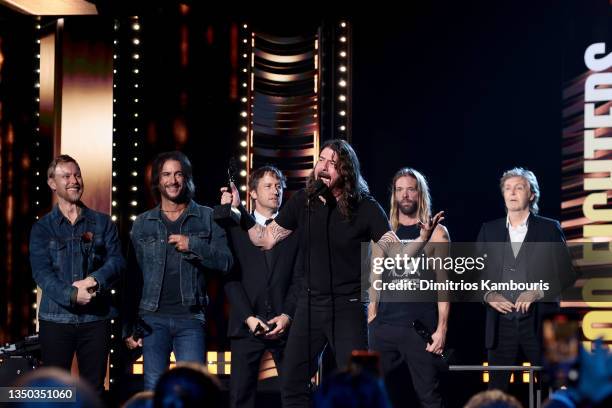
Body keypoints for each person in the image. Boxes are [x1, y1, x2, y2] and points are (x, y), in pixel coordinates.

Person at [221, 139, 443, 407]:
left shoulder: (366, 208)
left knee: (360, 384)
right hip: (310, 305)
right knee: (292, 383)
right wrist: (238, 211)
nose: (323, 167)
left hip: (347, 308)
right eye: (321, 160)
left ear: (346, 171)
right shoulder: (305, 201)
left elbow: (397, 256)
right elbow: (264, 238)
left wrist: (422, 239)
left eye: (332, 163)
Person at [124, 151, 233, 390]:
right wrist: (128, 327)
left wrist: (192, 245)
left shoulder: (208, 216)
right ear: (158, 181)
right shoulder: (143, 222)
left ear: (187, 179)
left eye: (178, 174)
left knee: (192, 389)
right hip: (151, 319)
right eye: (166, 174)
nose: (172, 180)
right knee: (154, 388)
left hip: (191, 318)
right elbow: (132, 278)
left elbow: (226, 262)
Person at [29, 155, 125, 395]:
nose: (74, 180)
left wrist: (95, 280)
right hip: (56, 321)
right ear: (52, 183)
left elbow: (118, 261)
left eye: (77, 175)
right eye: (66, 176)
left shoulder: (103, 223)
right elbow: (41, 272)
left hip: (95, 320)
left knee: (93, 390)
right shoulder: (42, 228)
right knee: (54, 391)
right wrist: (73, 294)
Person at [477, 167, 575, 391]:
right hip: (500, 324)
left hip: (540, 322)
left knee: (553, 387)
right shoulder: (488, 230)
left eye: (519, 187)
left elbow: (567, 273)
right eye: (508, 188)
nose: (512, 193)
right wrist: (487, 294)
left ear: (531, 195)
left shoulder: (550, 229)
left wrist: (538, 291)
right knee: (496, 391)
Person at [368, 168, 449, 408]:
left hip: (419, 329)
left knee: (429, 398)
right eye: (399, 189)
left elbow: (445, 285)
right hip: (383, 327)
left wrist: (442, 329)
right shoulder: (385, 232)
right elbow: (374, 277)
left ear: (420, 194)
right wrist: (371, 316)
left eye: (411, 189)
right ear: (394, 195)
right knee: (375, 396)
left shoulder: (438, 232)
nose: (405, 195)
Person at [223, 165, 302, 408]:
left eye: (278, 186)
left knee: (296, 395)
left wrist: (287, 316)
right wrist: (248, 317)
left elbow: (300, 278)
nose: (275, 191)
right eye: (268, 186)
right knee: (240, 397)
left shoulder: (294, 230)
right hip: (247, 325)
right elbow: (230, 277)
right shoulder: (235, 228)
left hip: (285, 326)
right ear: (253, 193)